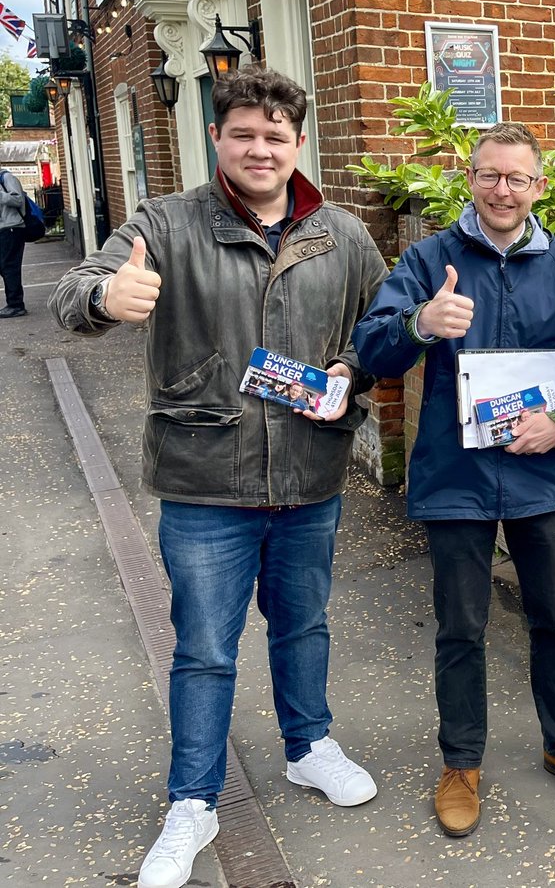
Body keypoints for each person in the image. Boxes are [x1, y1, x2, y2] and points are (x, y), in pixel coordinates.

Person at [49, 66, 387, 888]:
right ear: (218, 138)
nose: (260, 148)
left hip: (310, 475)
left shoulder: (341, 234)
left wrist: (347, 368)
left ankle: (309, 747)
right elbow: (76, 289)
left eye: (276, 136)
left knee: (303, 625)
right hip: (206, 479)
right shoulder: (163, 225)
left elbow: (379, 328)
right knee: (203, 649)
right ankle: (193, 801)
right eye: (244, 134)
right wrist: (105, 298)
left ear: (298, 143)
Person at [352, 122, 555, 838]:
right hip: (457, 476)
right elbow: (372, 345)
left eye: (518, 178)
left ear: (539, 187)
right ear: (468, 178)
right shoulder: (429, 258)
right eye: (489, 175)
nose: (502, 190)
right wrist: (420, 321)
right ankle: (461, 762)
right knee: (461, 628)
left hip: (541, 470)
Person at [0, 168, 29, 318]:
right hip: (3, 229)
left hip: (12, 227)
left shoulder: (6, 177)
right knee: (4, 266)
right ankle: (13, 302)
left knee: (9, 267)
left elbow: (18, 200)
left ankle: (16, 305)